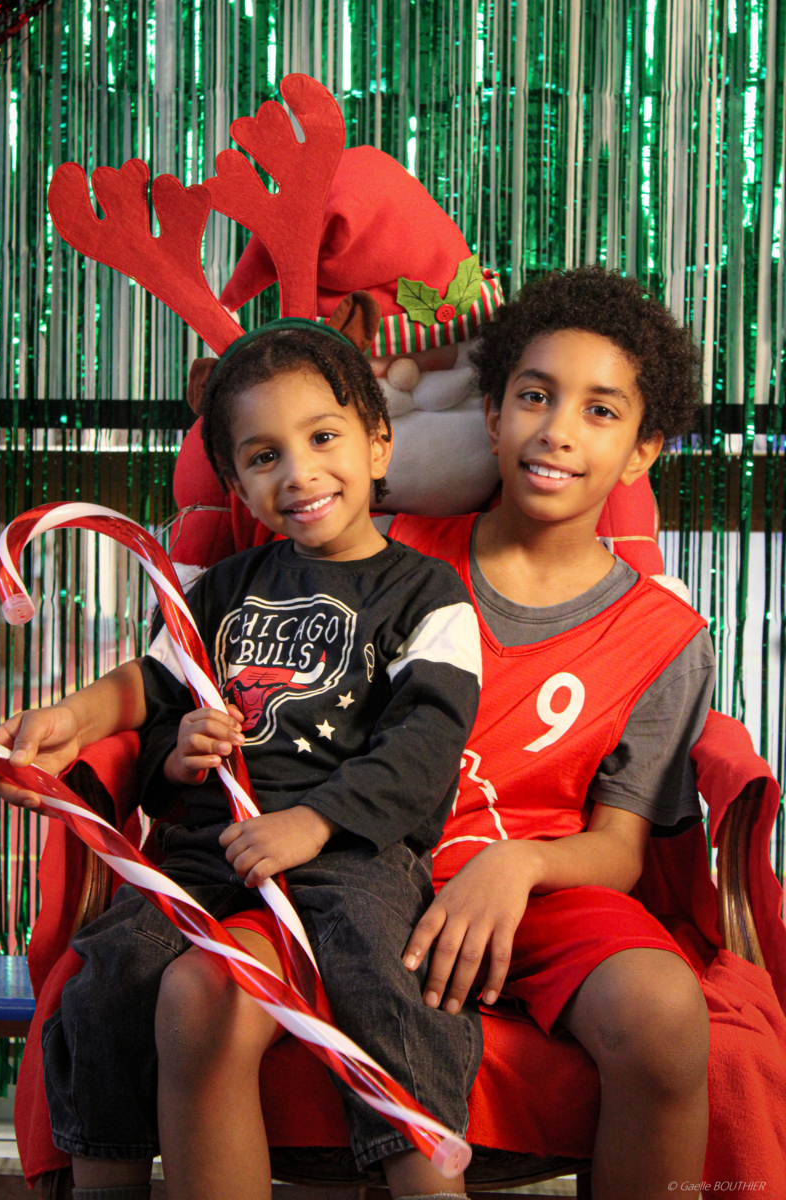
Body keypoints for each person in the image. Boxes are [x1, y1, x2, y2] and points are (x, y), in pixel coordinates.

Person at [0, 322, 483, 1200]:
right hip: (208, 850)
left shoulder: (428, 594)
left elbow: (426, 744)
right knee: (108, 974)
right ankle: (103, 1178)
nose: (298, 473)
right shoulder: (219, 591)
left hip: (353, 854)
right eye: (264, 456)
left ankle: (422, 1163)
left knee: (381, 971)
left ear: (378, 443)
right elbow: (150, 687)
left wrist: (314, 822)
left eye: (322, 437)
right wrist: (115, 732)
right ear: (237, 482)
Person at [386, 266, 714, 1200]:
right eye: (535, 396)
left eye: (600, 411)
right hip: (373, 872)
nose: (559, 430)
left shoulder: (664, 637)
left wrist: (519, 864)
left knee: (662, 1009)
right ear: (492, 416)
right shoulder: (387, 559)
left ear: (643, 451)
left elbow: (619, 847)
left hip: (538, 888)